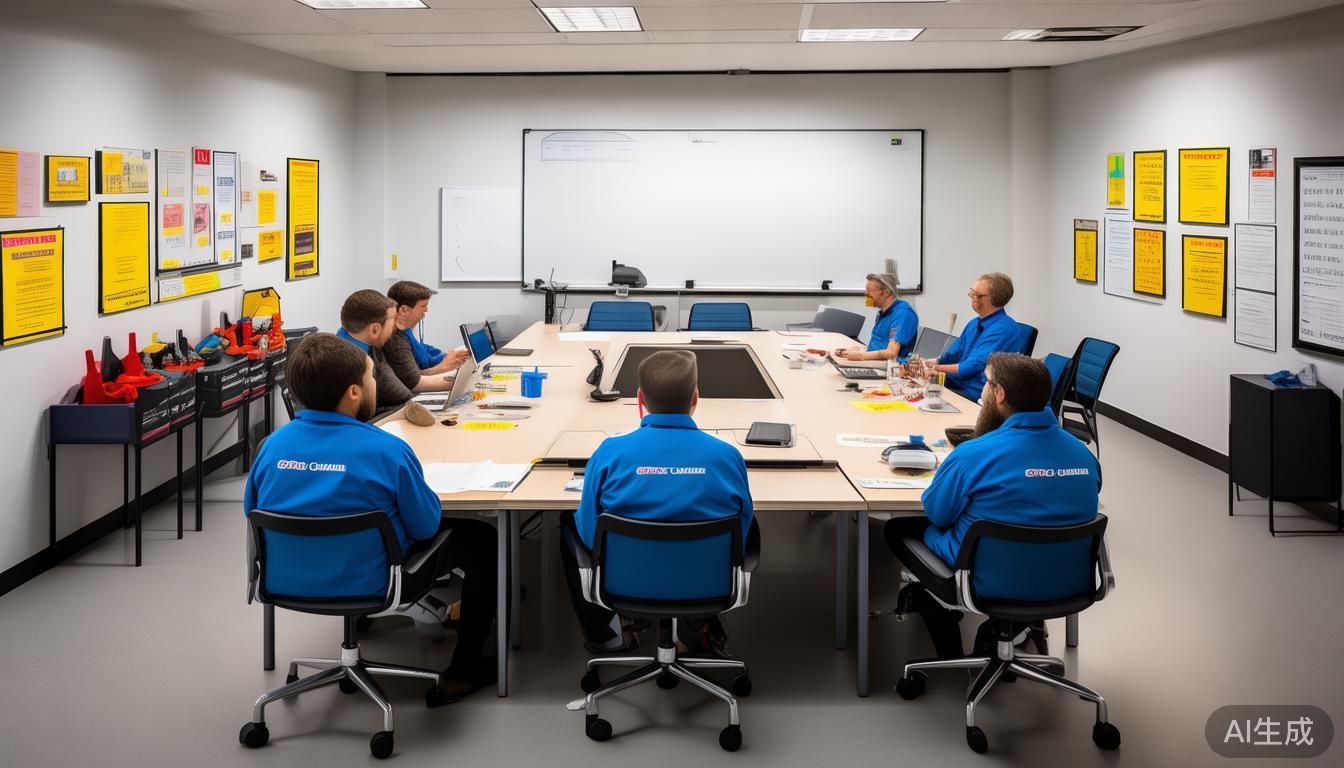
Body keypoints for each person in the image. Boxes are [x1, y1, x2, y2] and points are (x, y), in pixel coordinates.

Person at [245, 333, 498, 696]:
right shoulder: (388, 450)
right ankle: (465, 668)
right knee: (484, 540)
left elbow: (254, 518)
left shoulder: (270, 448)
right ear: (354, 392)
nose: (375, 384)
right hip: (374, 582)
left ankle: (359, 627)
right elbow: (426, 527)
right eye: (371, 378)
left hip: (285, 580)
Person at [884, 353, 1101, 659]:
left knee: (898, 529)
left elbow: (938, 514)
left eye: (986, 383)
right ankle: (1006, 629)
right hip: (1066, 579)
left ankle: (946, 636)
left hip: (985, 579)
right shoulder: (1084, 456)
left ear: (999, 394)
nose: (983, 390)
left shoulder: (971, 454)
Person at [559, 350, 755, 654]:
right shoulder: (727, 457)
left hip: (626, 583)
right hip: (705, 583)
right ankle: (698, 625)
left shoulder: (609, 454)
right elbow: (742, 530)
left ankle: (605, 637)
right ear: (695, 399)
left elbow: (586, 534)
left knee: (566, 523)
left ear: (640, 400)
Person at [927, 272, 1022, 400]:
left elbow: (971, 366)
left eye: (976, 294)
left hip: (976, 395)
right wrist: (933, 362)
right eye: (972, 292)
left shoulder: (1004, 329)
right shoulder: (974, 323)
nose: (971, 296)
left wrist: (935, 369)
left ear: (993, 299)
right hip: (957, 385)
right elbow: (954, 352)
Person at [335, 289, 415, 416]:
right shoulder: (351, 367)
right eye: (393, 319)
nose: (396, 325)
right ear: (375, 329)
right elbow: (403, 399)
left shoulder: (354, 339)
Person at [386, 280, 470, 380]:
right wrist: (444, 366)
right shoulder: (395, 342)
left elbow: (424, 352)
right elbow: (413, 380)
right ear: (404, 310)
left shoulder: (406, 330)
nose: (426, 310)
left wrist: (449, 356)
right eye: (423, 306)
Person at [834, 272, 919, 362]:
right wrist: (858, 350)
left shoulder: (902, 314)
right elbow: (878, 346)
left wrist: (861, 356)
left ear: (886, 292)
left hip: (888, 367)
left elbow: (891, 353)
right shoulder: (882, 312)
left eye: (870, 290)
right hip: (876, 362)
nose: (866, 294)